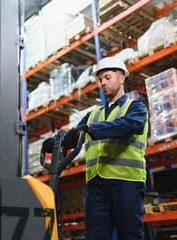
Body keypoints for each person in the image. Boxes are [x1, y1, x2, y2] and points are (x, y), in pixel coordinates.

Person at [42, 57, 148, 240]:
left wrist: (92, 129)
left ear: (121, 78)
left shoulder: (135, 108)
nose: (103, 83)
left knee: (129, 234)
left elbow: (128, 126)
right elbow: (75, 136)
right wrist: (55, 141)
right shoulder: (93, 114)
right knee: (95, 236)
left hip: (126, 182)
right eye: (100, 80)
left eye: (107, 77)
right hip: (96, 184)